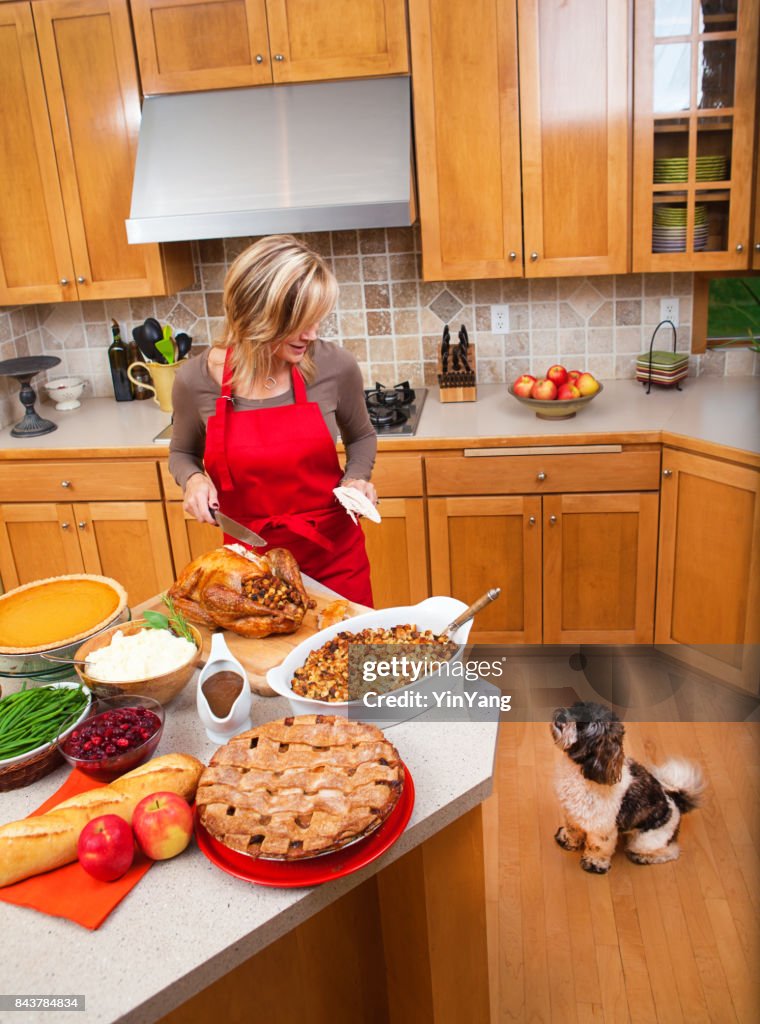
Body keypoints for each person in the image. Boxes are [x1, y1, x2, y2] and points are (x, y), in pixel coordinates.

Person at [168, 234, 377, 607]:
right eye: (299, 321)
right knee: (269, 663)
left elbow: (360, 436)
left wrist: (357, 478)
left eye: (316, 319)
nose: (312, 334)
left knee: (353, 661)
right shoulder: (194, 380)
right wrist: (194, 479)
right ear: (257, 314)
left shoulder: (334, 366)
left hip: (335, 558)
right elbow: (183, 452)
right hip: (250, 564)